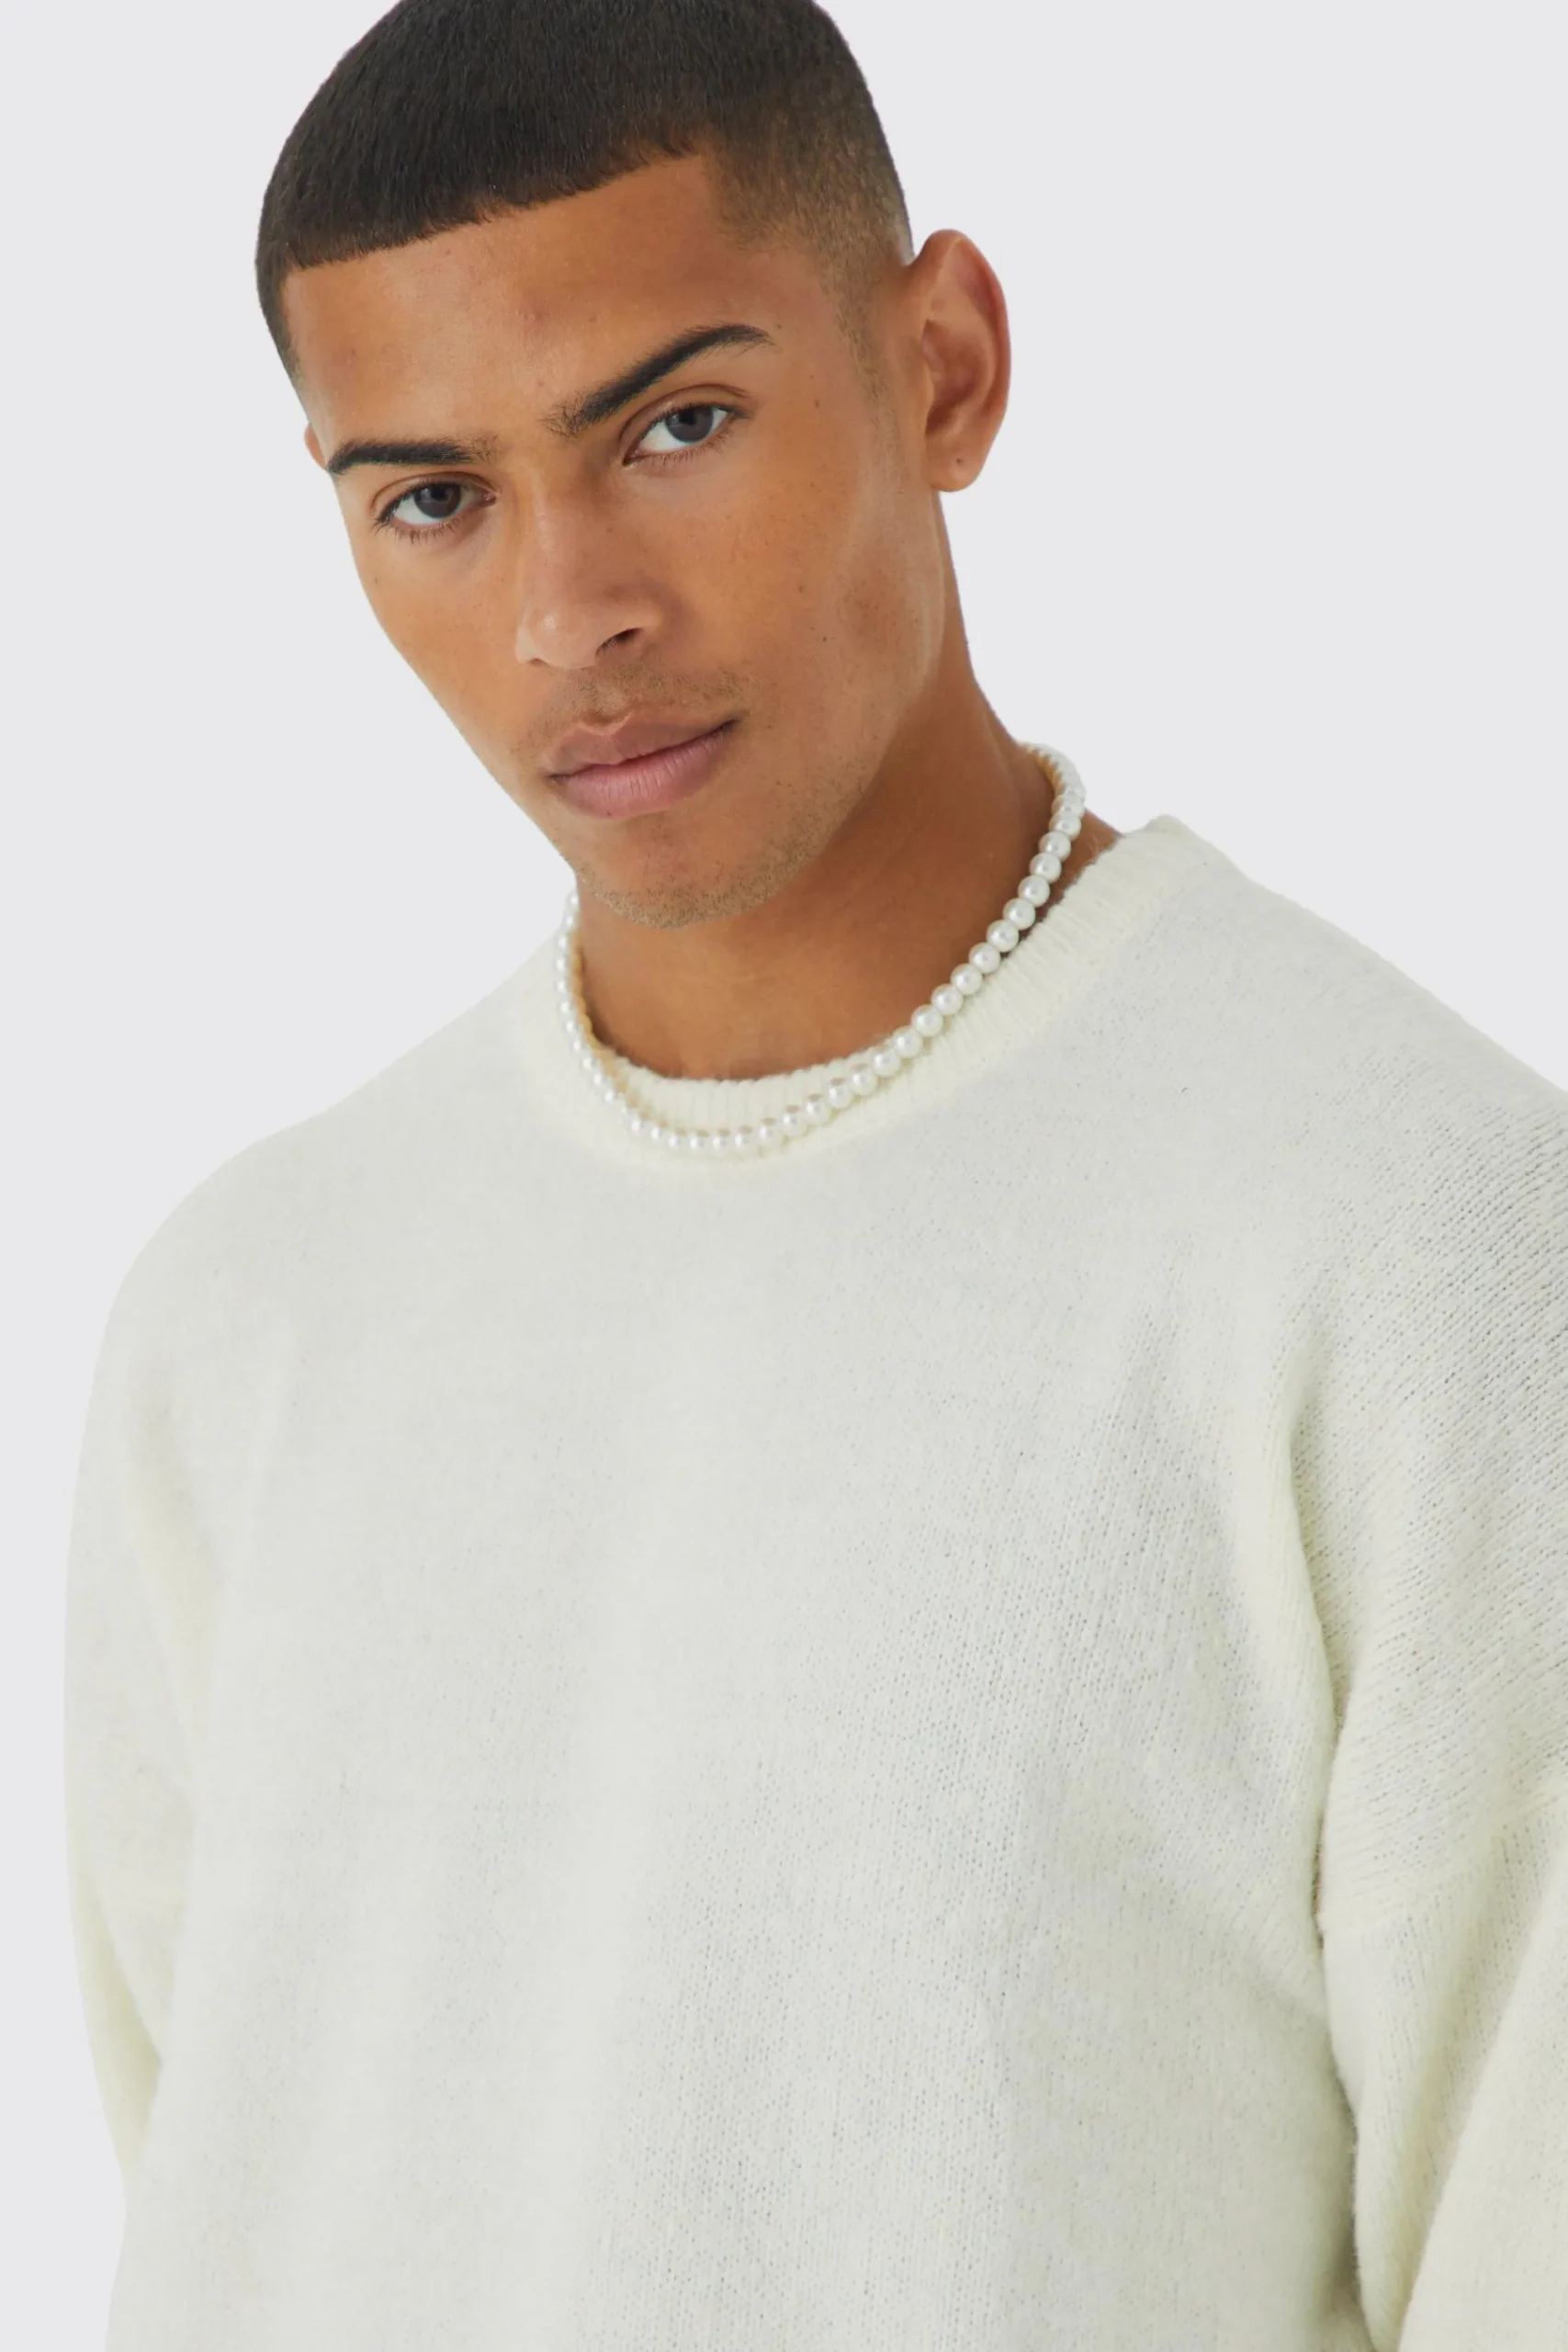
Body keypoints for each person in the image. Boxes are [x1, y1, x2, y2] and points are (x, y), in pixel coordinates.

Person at [61, 1, 1568, 2346]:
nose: (570, 613)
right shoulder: (246, 1316)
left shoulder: (1413, 1241)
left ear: (942, 364)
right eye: (433, 498)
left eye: (674, 425)